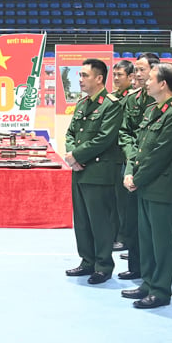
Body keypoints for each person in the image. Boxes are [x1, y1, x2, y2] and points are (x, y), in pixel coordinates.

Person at [122, 62, 172, 308]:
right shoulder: (152, 110)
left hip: (161, 187)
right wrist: (130, 172)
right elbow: (139, 147)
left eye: (150, 78)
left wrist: (136, 179)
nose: (145, 81)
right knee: (147, 239)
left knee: (161, 242)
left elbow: (160, 155)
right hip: (145, 185)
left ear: (163, 84)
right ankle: (148, 283)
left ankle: (160, 290)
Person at [63, 58, 123, 285]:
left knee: (100, 221)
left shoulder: (111, 104)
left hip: (98, 171)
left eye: (84, 75)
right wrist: (71, 155)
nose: (80, 79)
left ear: (99, 78)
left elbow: (104, 138)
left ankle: (103, 265)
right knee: (82, 220)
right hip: (79, 171)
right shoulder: (82, 103)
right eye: (79, 75)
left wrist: (76, 156)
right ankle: (87, 261)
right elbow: (70, 134)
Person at [116, 51, 160, 281]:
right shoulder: (132, 99)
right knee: (132, 218)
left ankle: (152, 272)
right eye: (136, 69)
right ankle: (135, 266)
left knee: (151, 224)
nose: (137, 74)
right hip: (131, 166)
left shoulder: (164, 99)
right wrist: (132, 159)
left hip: (153, 169)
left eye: (142, 69)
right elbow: (125, 132)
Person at [110, 60, 134, 252]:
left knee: (124, 202)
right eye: (115, 74)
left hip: (125, 156)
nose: (116, 78)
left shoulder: (131, 98)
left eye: (121, 75)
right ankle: (116, 233)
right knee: (115, 200)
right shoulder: (114, 97)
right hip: (113, 155)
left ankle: (124, 237)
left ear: (130, 77)